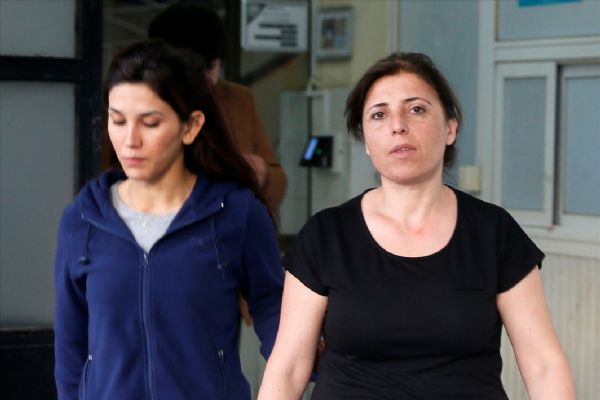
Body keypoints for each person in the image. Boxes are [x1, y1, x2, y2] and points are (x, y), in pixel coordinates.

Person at [258, 53, 575, 399]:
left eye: (417, 109)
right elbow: (288, 368)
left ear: (450, 129)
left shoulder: (494, 233)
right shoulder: (326, 236)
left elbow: (543, 364)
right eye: (379, 115)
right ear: (366, 141)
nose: (398, 125)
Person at [54, 40, 284, 399]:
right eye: (118, 120)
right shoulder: (82, 220)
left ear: (190, 126)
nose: (130, 140)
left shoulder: (236, 214)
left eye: (150, 123)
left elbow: (275, 312)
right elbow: (70, 348)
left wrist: (298, 376)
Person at [148, 1, 287, 214]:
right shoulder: (142, 101)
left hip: (232, 222)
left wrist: (262, 174)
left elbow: (277, 182)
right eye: (192, 70)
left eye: (211, 68)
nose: (203, 79)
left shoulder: (239, 100)